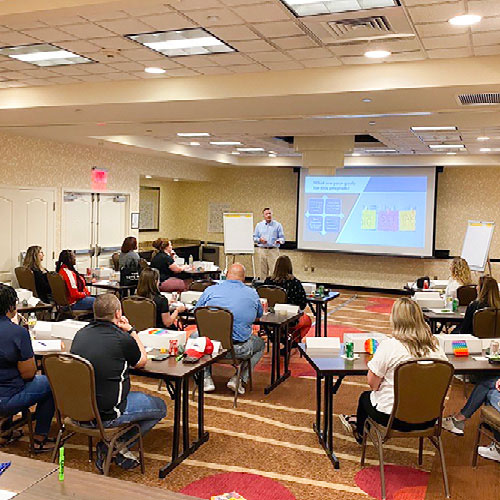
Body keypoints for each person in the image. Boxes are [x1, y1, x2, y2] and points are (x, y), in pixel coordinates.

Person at [70, 293, 166, 472]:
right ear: (117, 314)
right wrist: (131, 331)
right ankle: (117, 444)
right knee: (161, 407)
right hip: (107, 414)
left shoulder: (80, 334)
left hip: (77, 410)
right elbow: (142, 361)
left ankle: (115, 444)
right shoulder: (122, 339)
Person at [340, 297, 448, 443]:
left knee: (364, 398)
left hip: (393, 417)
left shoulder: (389, 346)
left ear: (395, 319)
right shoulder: (436, 348)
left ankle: (360, 434)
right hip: (429, 418)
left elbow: (373, 385)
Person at [0, 284, 55, 452]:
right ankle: (39, 438)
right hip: (6, 398)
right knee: (49, 382)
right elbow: (29, 373)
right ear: (12, 307)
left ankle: (6, 429)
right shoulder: (17, 333)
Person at [195, 263, 264, 395]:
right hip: (237, 350)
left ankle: (205, 378)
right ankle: (239, 379)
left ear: (226, 275)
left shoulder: (210, 290)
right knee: (260, 344)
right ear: (244, 278)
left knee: (195, 337)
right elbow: (259, 315)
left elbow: (197, 311)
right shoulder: (252, 293)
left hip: (210, 348)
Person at [264, 255, 312, 343]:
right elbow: (302, 303)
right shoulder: (294, 282)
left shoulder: (267, 282)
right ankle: (292, 341)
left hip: (268, 319)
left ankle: (279, 336)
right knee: (307, 320)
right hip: (289, 320)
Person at [253, 208, 285, 279]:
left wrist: (279, 241)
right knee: (262, 271)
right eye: (266, 214)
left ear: (272, 214)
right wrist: (260, 240)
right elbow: (254, 238)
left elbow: (282, 238)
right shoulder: (259, 225)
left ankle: (274, 288)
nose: (268, 215)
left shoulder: (278, 225)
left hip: (273, 250)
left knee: (274, 270)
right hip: (262, 250)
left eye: (269, 213)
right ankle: (263, 287)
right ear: (263, 216)